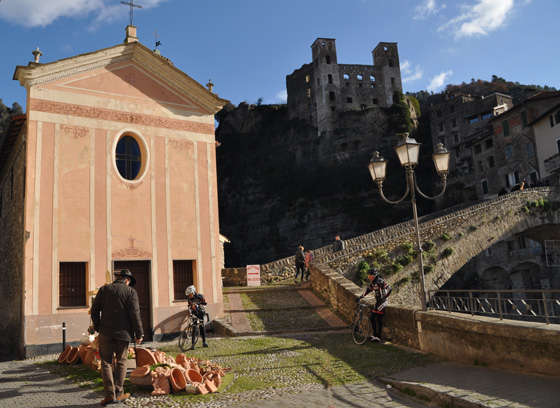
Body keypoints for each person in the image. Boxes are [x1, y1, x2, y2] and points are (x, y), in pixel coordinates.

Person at [91, 269, 143, 406]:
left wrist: (97, 327)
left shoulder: (104, 289)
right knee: (121, 362)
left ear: (117, 278)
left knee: (106, 362)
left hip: (106, 332)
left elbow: (95, 309)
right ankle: (119, 393)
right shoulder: (131, 292)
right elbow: (135, 314)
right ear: (127, 280)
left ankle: (109, 395)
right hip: (124, 333)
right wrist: (139, 334)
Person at [357, 269, 391, 342]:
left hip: (383, 302)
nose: (369, 277)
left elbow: (389, 289)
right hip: (378, 301)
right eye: (368, 276)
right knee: (372, 317)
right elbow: (368, 290)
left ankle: (378, 336)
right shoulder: (373, 283)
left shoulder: (380, 281)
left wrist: (385, 297)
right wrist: (361, 297)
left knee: (378, 318)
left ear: (374, 275)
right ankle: (374, 335)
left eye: (370, 276)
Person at [185, 285, 208, 349]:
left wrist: (198, 305)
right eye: (188, 295)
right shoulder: (189, 299)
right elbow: (189, 306)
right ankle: (193, 344)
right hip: (194, 314)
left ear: (193, 292)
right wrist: (191, 308)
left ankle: (204, 342)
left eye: (190, 294)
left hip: (201, 313)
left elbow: (205, 304)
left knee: (202, 327)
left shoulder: (200, 296)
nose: (189, 296)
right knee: (194, 328)